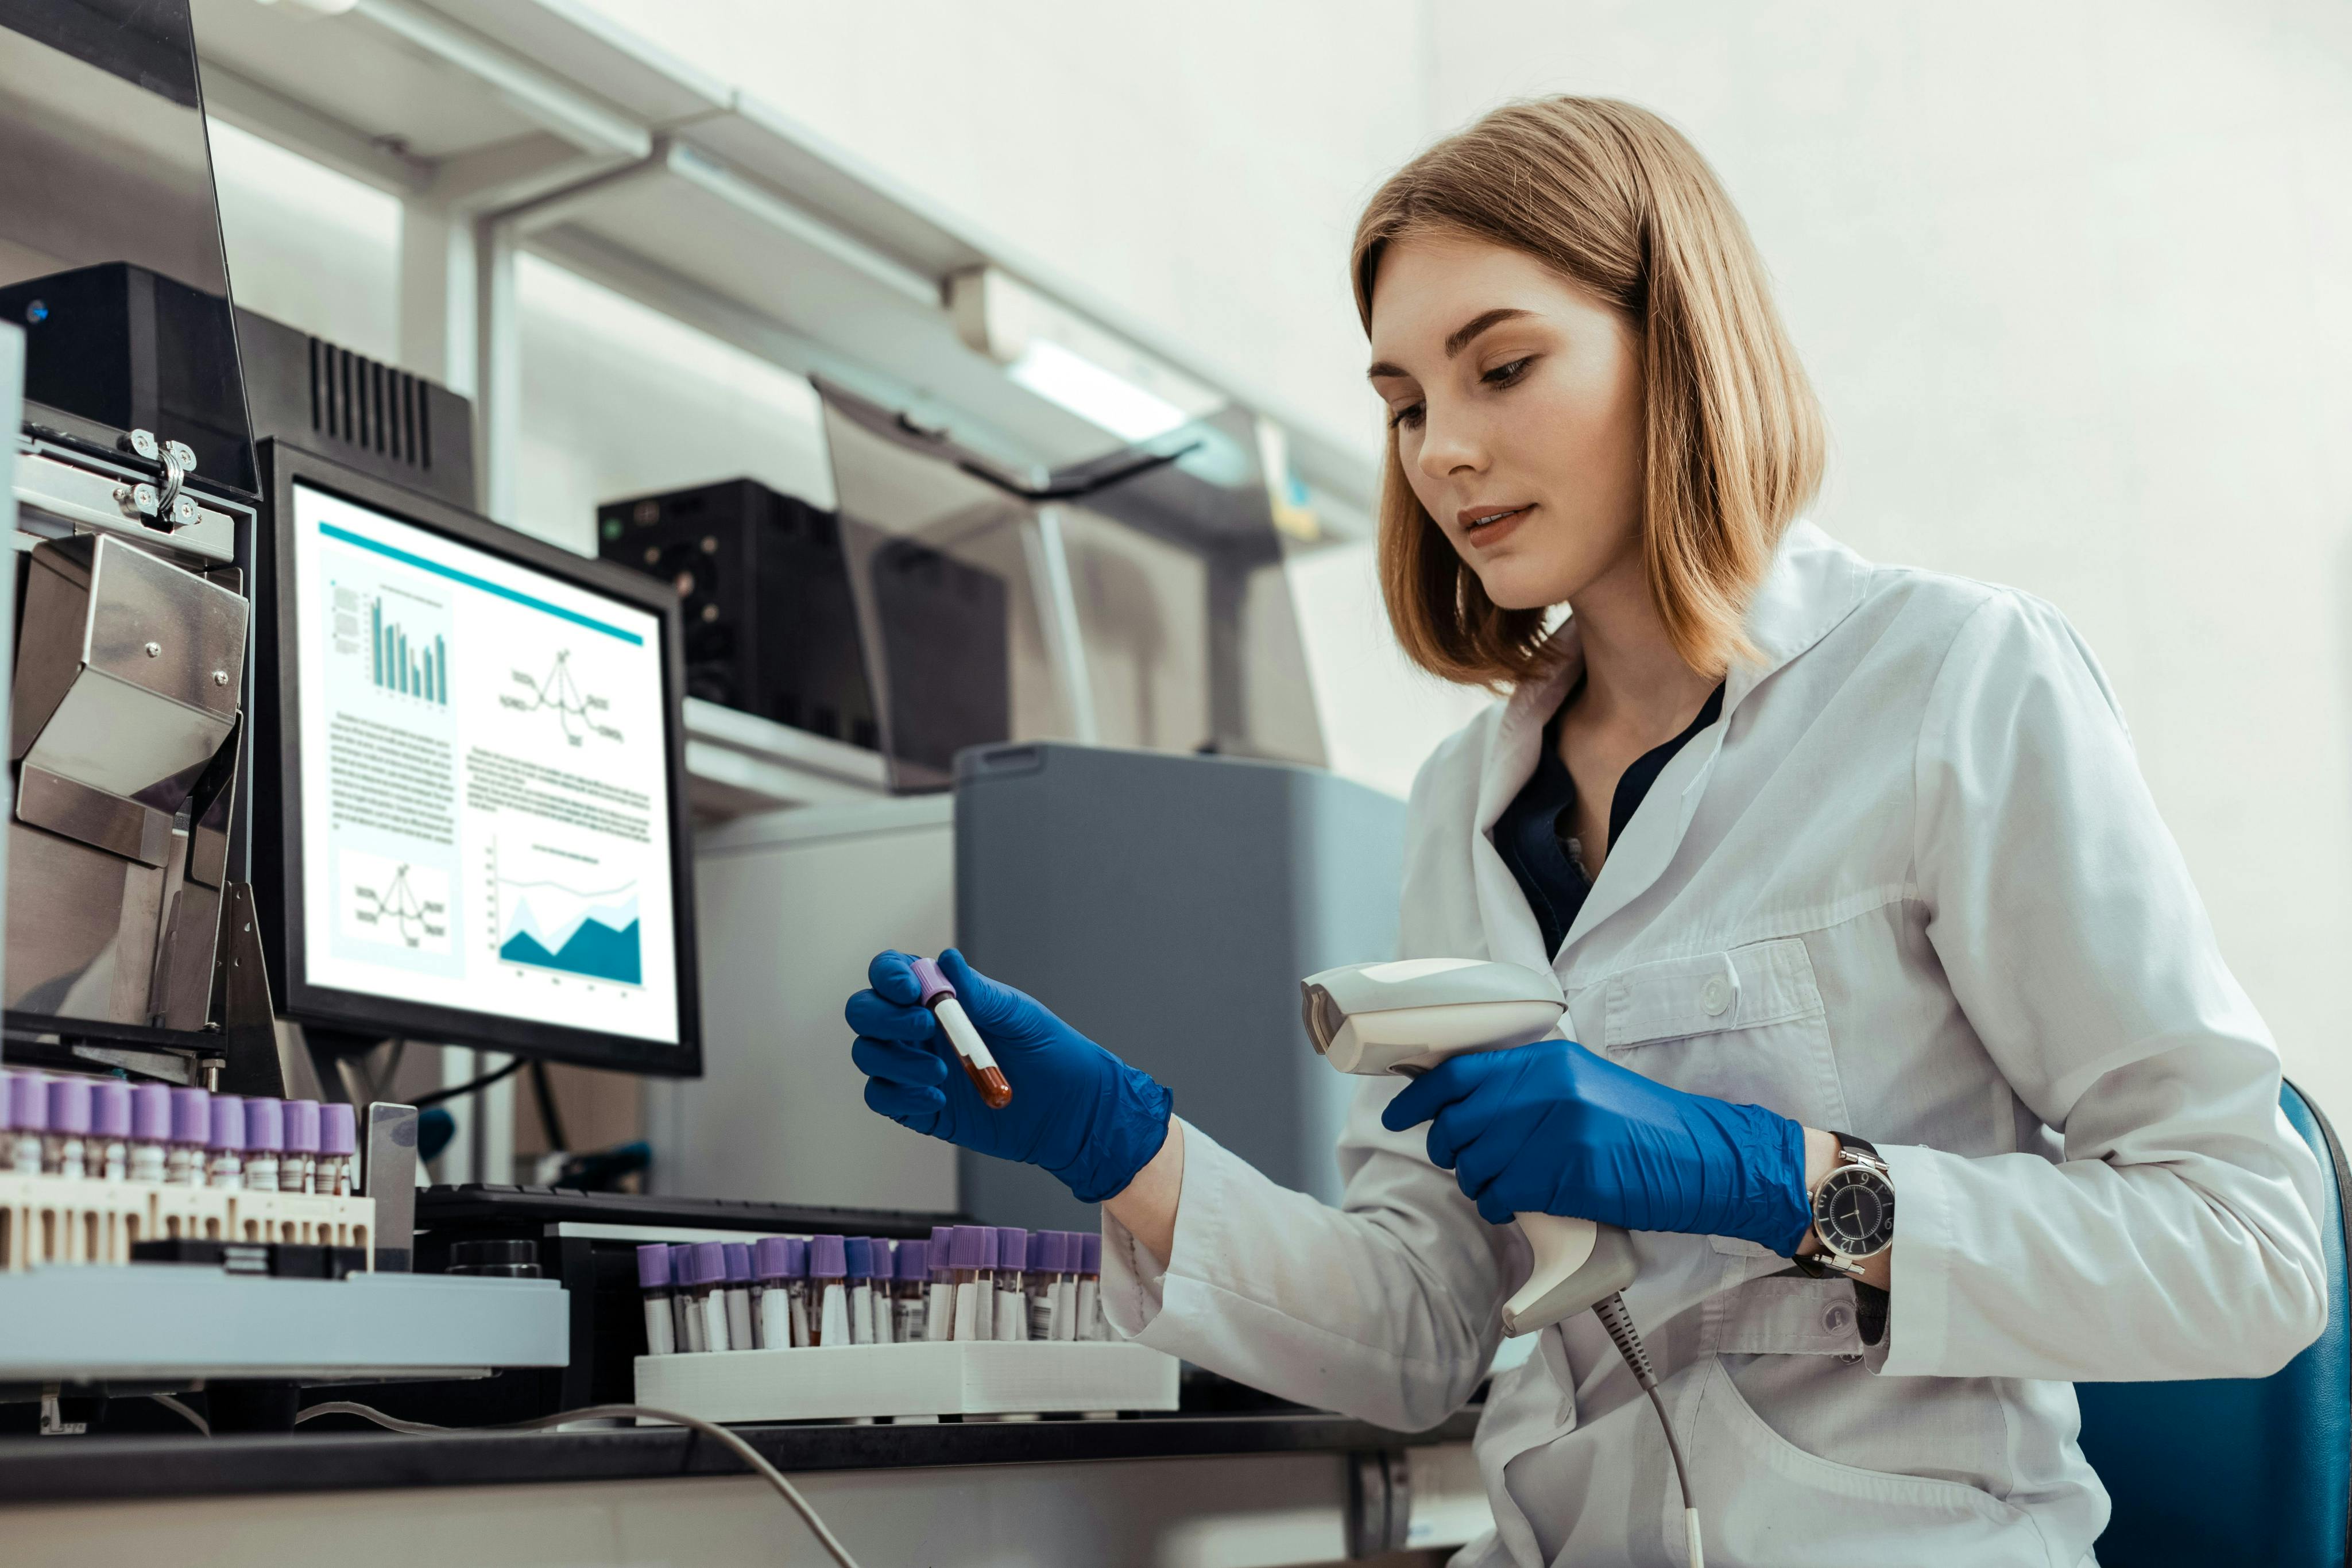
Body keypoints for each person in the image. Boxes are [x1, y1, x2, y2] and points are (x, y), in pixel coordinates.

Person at [844, 96, 2325, 1566]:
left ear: (1677, 346)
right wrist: (1119, 1145)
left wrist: (1781, 1178)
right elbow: (1428, 1327)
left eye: (1502, 368)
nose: (1441, 454)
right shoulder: (1461, 805)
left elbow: (2252, 1254)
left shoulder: (1949, 682)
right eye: (1408, 403)